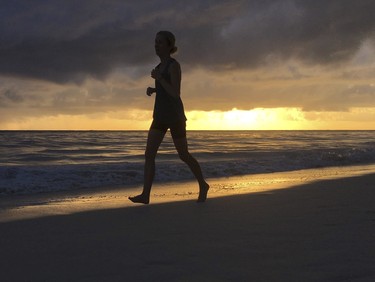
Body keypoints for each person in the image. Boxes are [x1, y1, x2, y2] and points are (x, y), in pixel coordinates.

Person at [129, 31, 209, 204]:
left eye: (160, 42)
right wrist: (154, 89)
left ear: (169, 46)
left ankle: (203, 185)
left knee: (183, 154)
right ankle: (145, 195)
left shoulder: (173, 65)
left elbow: (175, 93)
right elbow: (166, 89)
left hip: (175, 117)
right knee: (149, 154)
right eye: (155, 42)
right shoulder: (158, 68)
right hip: (160, 116)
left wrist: (159, 80)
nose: (156, 45)